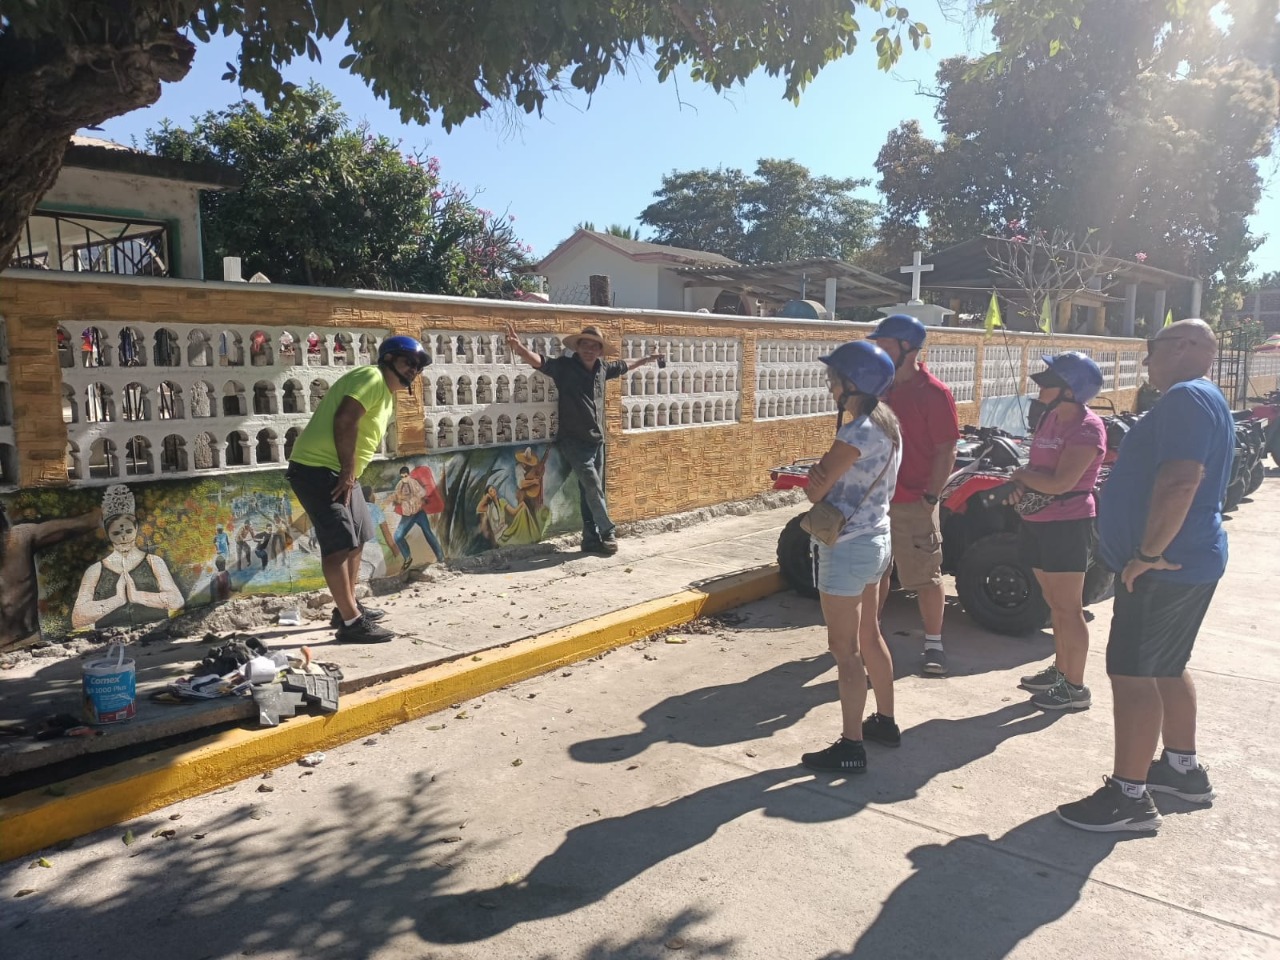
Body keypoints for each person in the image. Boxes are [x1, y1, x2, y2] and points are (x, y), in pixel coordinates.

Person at [1058, 320, 1233, 833]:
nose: (1145, 362)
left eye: (1149, 351)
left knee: (1132, 675)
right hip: (1193, 559)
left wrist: (1146, 553)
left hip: (1164, 566)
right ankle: (1181, 769)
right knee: (1166, 666)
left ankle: (1128, 797)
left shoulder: (1183, 398)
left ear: (1182, 348)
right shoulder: (1205, 397)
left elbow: (1181, 479)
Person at [800, 339, 902, 774]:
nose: (829, 385)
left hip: (846, 547)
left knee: (844, 651)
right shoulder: (888, 424)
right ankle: (885, 721)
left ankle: (851, 744)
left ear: (851, 384)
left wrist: (815, 478)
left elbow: (815, 488)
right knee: (872, 635)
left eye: (834, 378)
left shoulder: (855, 433)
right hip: (879, 539)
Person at [286, 335, 430, 643]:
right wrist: (349, 471)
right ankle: (351, 624)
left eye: (418, 367)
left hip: (340, 473)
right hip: (318, 469)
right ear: (389, 359)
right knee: (338, 543)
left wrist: (349, 473)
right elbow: (345, 419)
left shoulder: (387, 395)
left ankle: (345, 607)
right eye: (409, 362)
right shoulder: (371, 376)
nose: (413, 370)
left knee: (359, 536)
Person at [505, 323, 660, 555]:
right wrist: (520, 349)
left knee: (590, 491)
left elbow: (624, 366)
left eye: (594, 346)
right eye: (584, 344)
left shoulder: (602, 368)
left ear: (600, 350)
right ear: (577, 347)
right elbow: (540, 361)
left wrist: (646, 359)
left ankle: (589, 539)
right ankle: (608, 532)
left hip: (597, 441)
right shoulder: (565, 367)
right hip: (573, 441)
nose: (589, 349)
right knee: (593, 486)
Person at [1008, 352, 1107, 711]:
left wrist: (1019, 478)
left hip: (1068, 524)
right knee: (1055, 605)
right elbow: (1037, 468)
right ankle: (1061, 670)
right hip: (1038, 523)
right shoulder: (1050, 419)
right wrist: (1021, 484)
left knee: (1069, 608)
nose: (1040, 384)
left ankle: (1075, 687)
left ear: (1069, 389)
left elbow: (1063, 483)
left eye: (1049, 380)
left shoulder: (1087, 428)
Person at [867, 315, 960, 676]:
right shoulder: (880, 388)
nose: (878, 349)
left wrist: (931, 498)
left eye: (885, 343)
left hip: (915, 502)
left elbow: (946, 449)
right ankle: (869, 638)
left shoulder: (934, 392)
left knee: (924, 575)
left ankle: (934, 645)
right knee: (875, 574)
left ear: (907, 348)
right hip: (878, 501)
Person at [71, 484, 185, 630]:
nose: (124, 537)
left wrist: (138, 596)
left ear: (136, 528)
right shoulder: (95, 570)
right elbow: (77, 617)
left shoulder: (154, 562)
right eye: (116, 533)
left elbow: (177, 601)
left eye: (129, 531)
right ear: (107, 534)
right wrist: (117, 600)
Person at [392, 465, 444, 569]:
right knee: (399, 537)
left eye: (405, 476)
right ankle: (408, 558)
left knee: (427, 533)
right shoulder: (400, 485)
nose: (404, 478)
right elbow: (396, 499)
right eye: (402, 477)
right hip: (409, 513)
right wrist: (399, 500)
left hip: (417, 512)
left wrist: (416, 499)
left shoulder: (413, 482)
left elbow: (423, 493)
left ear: (408, 474)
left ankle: (441, 558)